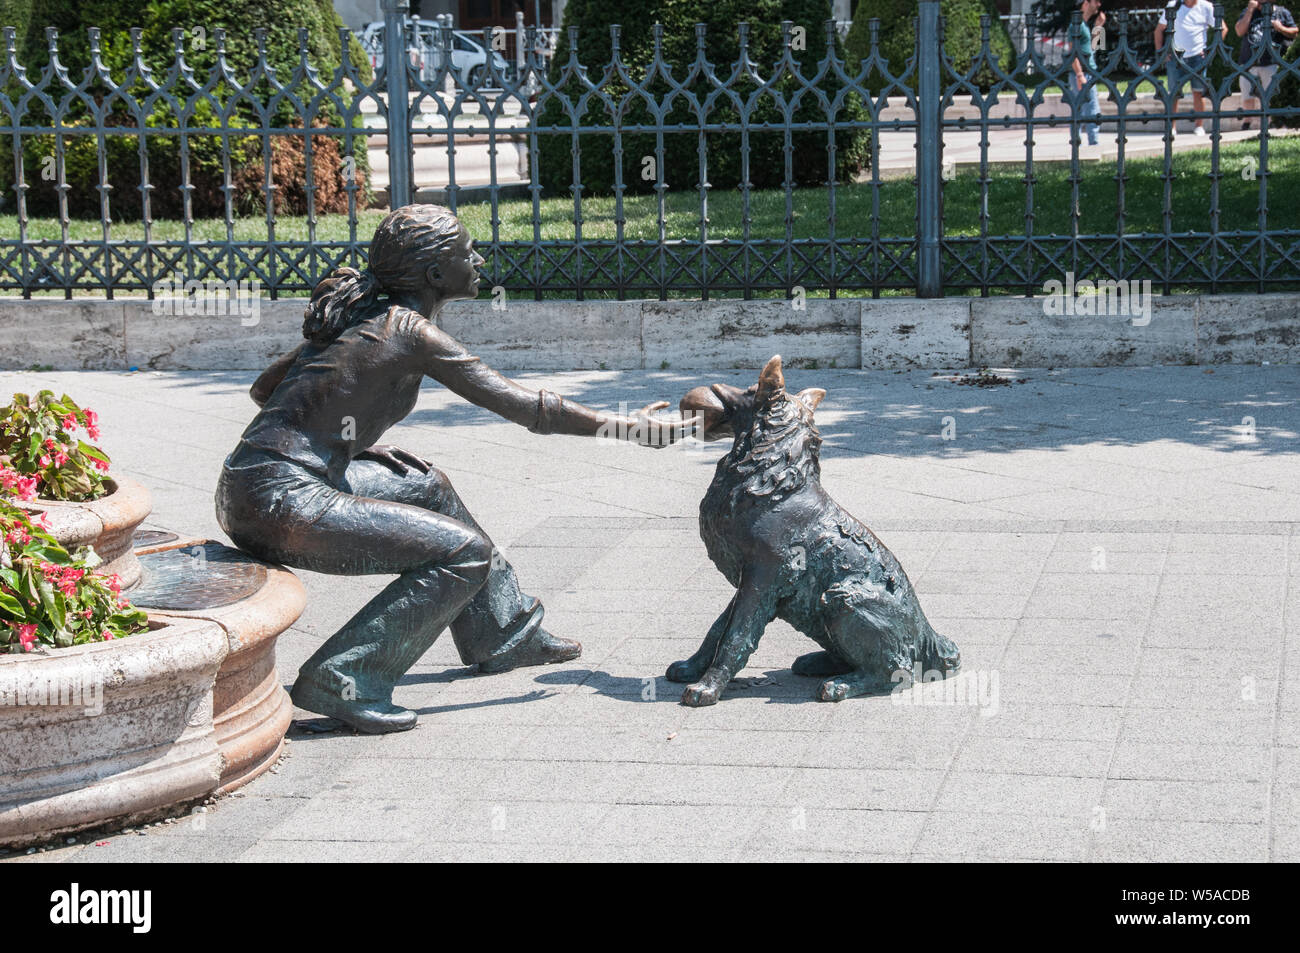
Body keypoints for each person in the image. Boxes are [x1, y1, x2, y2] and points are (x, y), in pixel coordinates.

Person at [216, 204, 691, 733]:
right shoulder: (411, 332)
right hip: (281, 504)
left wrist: (347, 447)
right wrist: (627, 428)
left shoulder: (364, 315)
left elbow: (266, 391)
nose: (479, 259)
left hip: (250, 487)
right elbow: (528, 408)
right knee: (464, 554)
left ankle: (503, 632)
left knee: (426, 484)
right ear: (436, 275)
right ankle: (344, 675)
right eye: (468, 252)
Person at [1156, 0, 1230, 136]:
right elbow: (1159, 30)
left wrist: (1212, 49)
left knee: (1198, 92)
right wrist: (1161, 53)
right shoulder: (1173, 5)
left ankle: (1199, 126)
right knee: (1173, 94)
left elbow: (1223, 28)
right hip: (1175, 56)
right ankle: (1171, 127)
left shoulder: (1206, 7)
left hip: (1198, 57)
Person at [1235, 0, 1299, 129]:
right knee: (1247, 94)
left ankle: (1271, 121)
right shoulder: (1249, 12)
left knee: (1271, 95)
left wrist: (1281, 28)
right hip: (1250, 62)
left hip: (1272, 61)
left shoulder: (1282, 12)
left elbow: (1295, 32)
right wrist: (1249, 10)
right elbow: (1239, 31)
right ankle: (1247, 122)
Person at [1071, 0, 1106, 148]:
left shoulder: (1085, 25)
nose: (1099, 5)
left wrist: (1098, 27)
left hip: (1089, 72)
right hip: (1082, 73)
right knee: (1091, 109)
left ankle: (1077, 143)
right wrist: (1079, 74)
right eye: (1096, 1)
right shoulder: (1076, 25)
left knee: (1082, 109)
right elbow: (1072, 52)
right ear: (1086, 3)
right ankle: (1093, 144)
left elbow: (1094, 48)